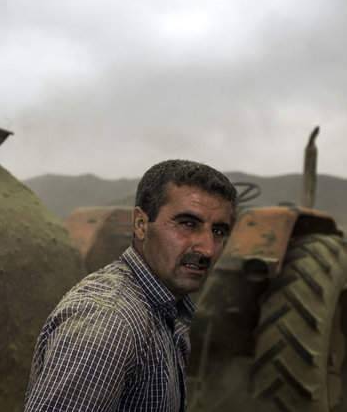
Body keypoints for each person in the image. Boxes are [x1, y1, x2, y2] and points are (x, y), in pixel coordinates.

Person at [24, 159, 237, 411]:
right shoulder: (109, 320)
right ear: (141, 224)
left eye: (219, 231)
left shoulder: (166, 309)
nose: (208, 248)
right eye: (187, 224)